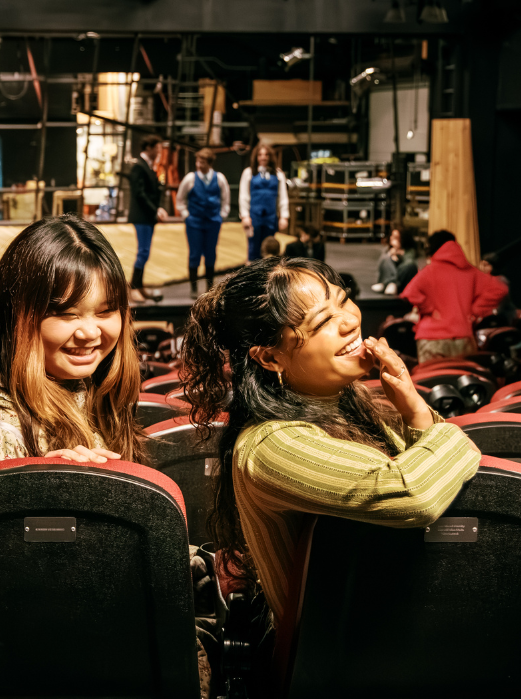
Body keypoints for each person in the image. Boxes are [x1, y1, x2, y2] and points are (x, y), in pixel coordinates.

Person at [0, 215, 213, 696]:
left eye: (105, 311)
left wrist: (204, 566)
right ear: (17, 315)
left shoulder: (84, 390)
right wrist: (43, 492)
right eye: (66, 314)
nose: (90, 333)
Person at [180, 255, 482, 693]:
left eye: (344, 301)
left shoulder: (348, 403)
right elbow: (413, 490)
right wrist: (456, 436)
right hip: (335, 670)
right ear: (269, 358)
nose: (348, 321)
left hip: (392, 642)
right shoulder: (270, 443)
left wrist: (413, 408)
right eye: (323, 320)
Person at [400, 230, 509, 363]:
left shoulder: (429, 271)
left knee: (430, 382)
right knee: (463, 381)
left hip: (431, 338)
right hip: (463, 337)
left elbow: (409, 293)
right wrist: (474, 310)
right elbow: (500, 288)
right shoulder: (470, 271)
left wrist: (429, 308)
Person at [176, 148, 231, 298]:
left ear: (209, 163)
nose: (199, 164)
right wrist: (186, 215)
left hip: (213, 222)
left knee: (210, 254)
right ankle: (193, 288)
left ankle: (209, 288)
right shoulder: (190, 178)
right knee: (194, 254)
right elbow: (180, 199)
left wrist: (222, 215)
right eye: (198, 161)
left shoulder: (219, 178)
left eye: (202, 162)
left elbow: (226, 199)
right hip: (194, 222)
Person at [128, 135, 169, 302]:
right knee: (143, 252)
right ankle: (133, 288)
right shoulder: (139, 166)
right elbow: (140, 193)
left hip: (147, 216)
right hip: (142, 216)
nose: (159, 152)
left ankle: (139, 286)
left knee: (145, 252)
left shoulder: (149, 166)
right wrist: (156, 210)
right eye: (158, 148)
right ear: (150, 148)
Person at [239, 144, 289, 263]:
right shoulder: (249, 173)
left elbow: (283, 196)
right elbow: (243, 195)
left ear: (270, 157)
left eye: (266, 155)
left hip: (271, 217)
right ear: (256, 157)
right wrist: (245, 215)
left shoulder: (278, 174)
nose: (263, 157)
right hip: (254, 217)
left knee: (270, 247)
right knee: (253, 248)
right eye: (260, 154)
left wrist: (284, 216)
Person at [370, 228, 419, 295]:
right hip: (393, 278)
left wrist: (400, 255)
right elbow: (381, 263)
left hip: (401, 280)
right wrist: (391, 255)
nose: (391, 238)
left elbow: (408, 262)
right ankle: (391, 283)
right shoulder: (388, 249)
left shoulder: (409, 251)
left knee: (411, 266)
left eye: (395, 237)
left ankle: (387, 283)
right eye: (391, 236)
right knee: (386, 259)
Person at [479, 251, 517, 321]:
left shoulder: (500, 280)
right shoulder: (481, 280)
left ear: (492, 266)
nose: (482, 268)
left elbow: (502, 299)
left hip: (501, 317)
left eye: (485, 265)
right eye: (481, 265)